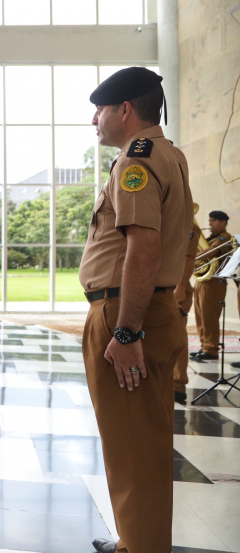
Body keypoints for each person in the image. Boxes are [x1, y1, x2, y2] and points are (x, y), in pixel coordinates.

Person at [79, 67, 191, 553]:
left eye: (99, 110)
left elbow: (142, 250)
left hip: (128, 313)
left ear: (124, 110)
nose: (95, 121)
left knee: (131, 449)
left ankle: (141, 548)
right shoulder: (171, 154)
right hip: (153, 309)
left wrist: (125, 334)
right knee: (142, 442)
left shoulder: (136, 160)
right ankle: (136, 540)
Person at [191, 211, 232, 361]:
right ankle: (204, 347)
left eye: (213, 220)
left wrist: (191, 259)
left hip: (214, 282)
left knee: (209, 317)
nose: (209, 224)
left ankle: (211, 349)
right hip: (202, 280)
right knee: (200, 316)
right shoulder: (210, 238)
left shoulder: (225, 237)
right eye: (209, 220)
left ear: (223, 222)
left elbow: (211, 252)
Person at [173, 208, 203, 405]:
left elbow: (188, 259)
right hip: (156, 287)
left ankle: (178, 385)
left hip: (175, 287)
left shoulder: (189, 226)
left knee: (177, 337)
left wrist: (181, 287)